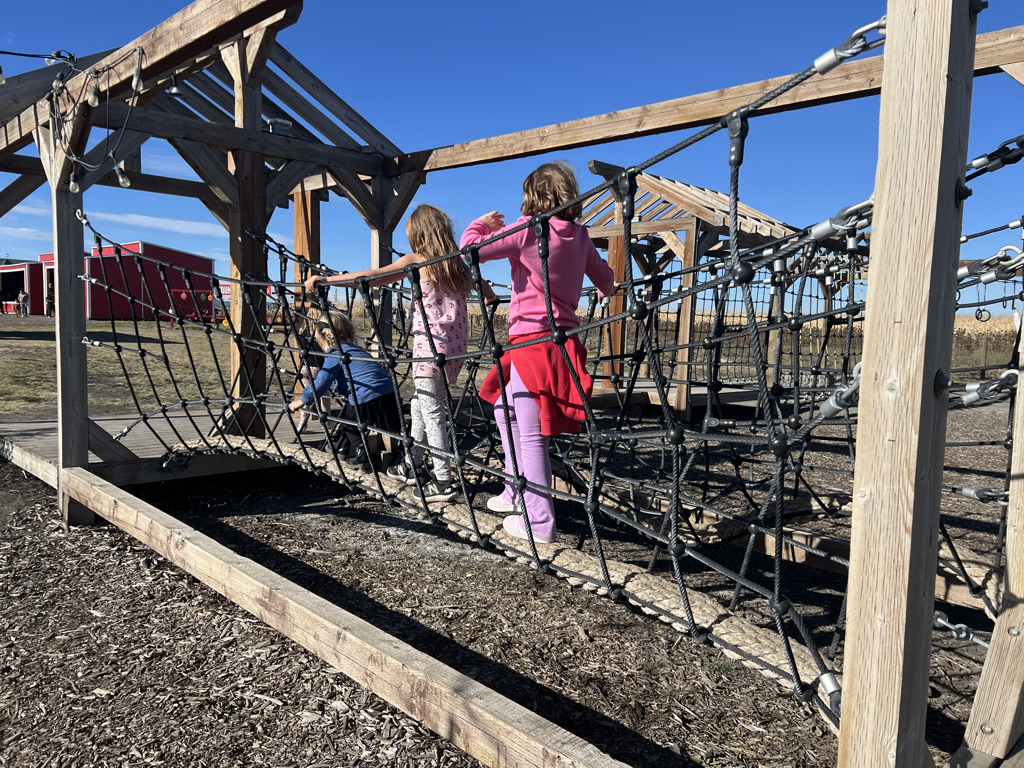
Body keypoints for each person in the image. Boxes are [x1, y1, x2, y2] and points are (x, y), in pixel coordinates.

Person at [461, 161, 617, 544]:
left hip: (531, 343)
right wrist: (603, 290)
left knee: (531, 435)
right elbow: (607, 279)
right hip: (560, 343)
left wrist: (480, 224)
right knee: (504, 410)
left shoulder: (528, 229)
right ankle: (514, 491)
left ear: (531, 196)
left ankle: (540, 521)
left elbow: (470, 252)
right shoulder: (581, 237)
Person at [305, 204, 498, 503]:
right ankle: (411, 463)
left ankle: (443, 480)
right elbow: (487, 291)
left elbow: (373, 277)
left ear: (419, 236)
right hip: (456, 349)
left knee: (433, 414)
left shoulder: (418, 260)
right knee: (421, 404)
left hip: (428, 348)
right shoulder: (457, 263)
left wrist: (328, 281)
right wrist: (487, 301)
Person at [288, 306, 400, 468]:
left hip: (364, 396)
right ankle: (342, 447)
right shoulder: (359, 350)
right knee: (348, 417)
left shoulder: (335, 354)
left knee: (349, 424)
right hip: (388, 395)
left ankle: (362, 453)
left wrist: (301, 401)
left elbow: (321, 383)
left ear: (323, 337)